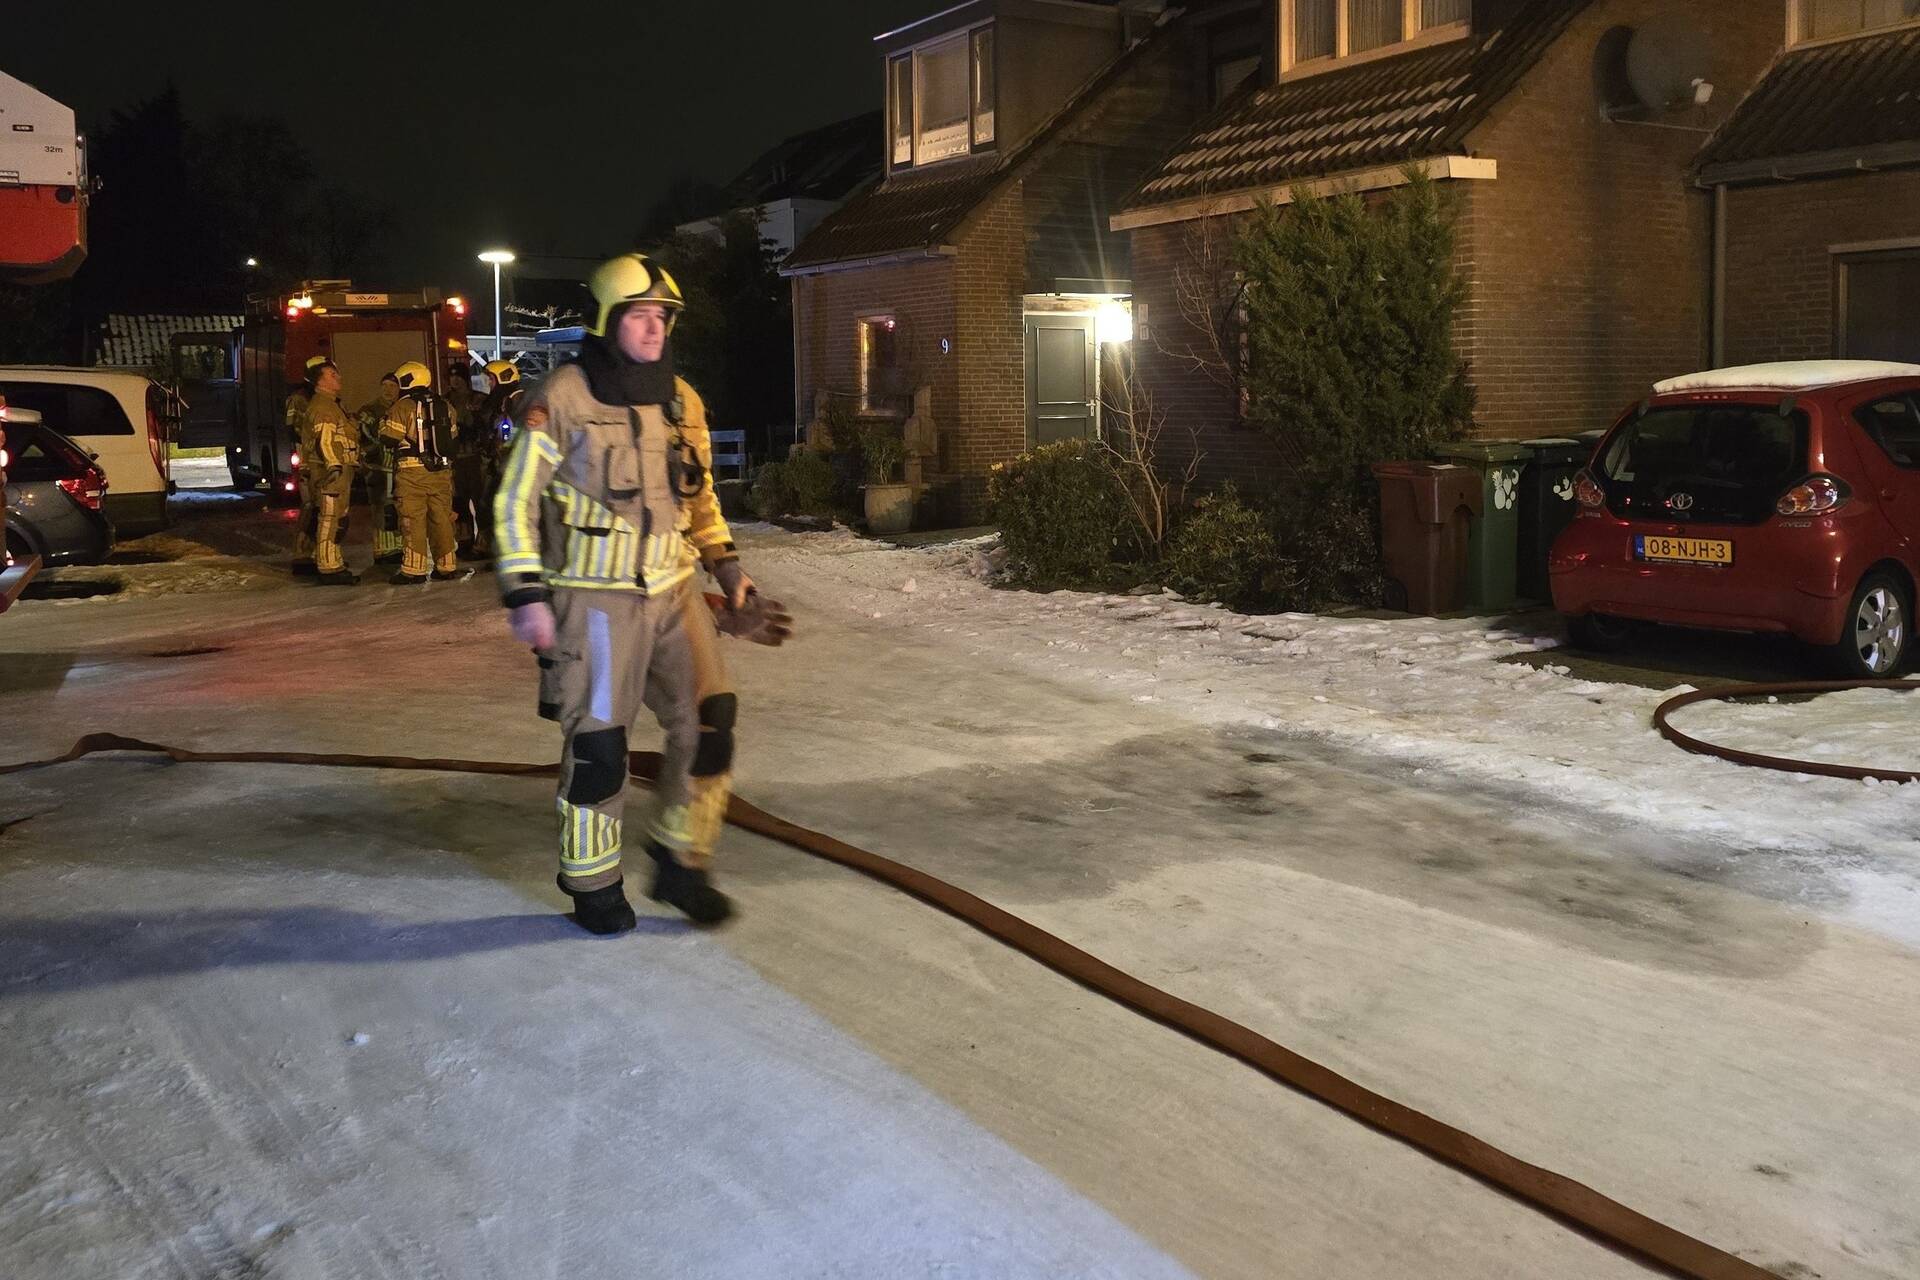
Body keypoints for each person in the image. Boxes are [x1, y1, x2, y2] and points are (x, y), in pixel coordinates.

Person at [494, 252, 786, 934]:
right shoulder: (560, 399)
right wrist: (524, 594)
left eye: (662, 317)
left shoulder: (682, 401)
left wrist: (728, 569)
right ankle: (593, 884)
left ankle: (682, 862)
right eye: (639, 316)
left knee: (712, 721)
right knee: (600, 749)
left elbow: (700, 495)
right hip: (592, 600)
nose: (655, 330)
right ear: (606, 320)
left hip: (674, 590)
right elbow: (514, 503)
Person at [381, 361, 461, 585]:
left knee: (412, 519)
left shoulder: (402, 406)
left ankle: (413, 570)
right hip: (441, 472)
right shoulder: (446, 406)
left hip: (412, 473)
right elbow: (453, 441)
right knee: (442, 519)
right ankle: (447, 566)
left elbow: (389, 438)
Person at [305, 360, 361, 585]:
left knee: (337, 517)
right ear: (319, 379)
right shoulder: (323, 407)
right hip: (331, 474)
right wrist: (334, 468)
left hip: (339, 472)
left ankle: (330, 559)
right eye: (332, 374)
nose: (338, 377)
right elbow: (325, 441)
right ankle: (329, 567)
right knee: (330, 518)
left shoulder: (332, 404)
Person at [288, 354, 330, 576]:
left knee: (321, 508)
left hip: (321, 460)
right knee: (310, 507)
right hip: (310, 461)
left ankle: (315, 554)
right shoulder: (300, 398)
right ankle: (302, 555)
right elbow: (295, 429)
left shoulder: (320, 398)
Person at [357, 372, 404, 566]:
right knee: (381, 507)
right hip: (379, 468)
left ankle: (399, 546)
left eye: (392, 386)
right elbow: (364, 436)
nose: (387, 390)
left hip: (399, 468)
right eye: (384, 385)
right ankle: (384, 550)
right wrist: (374, 456)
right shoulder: (370, 410)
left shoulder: (403, 408)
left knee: (398, 507)